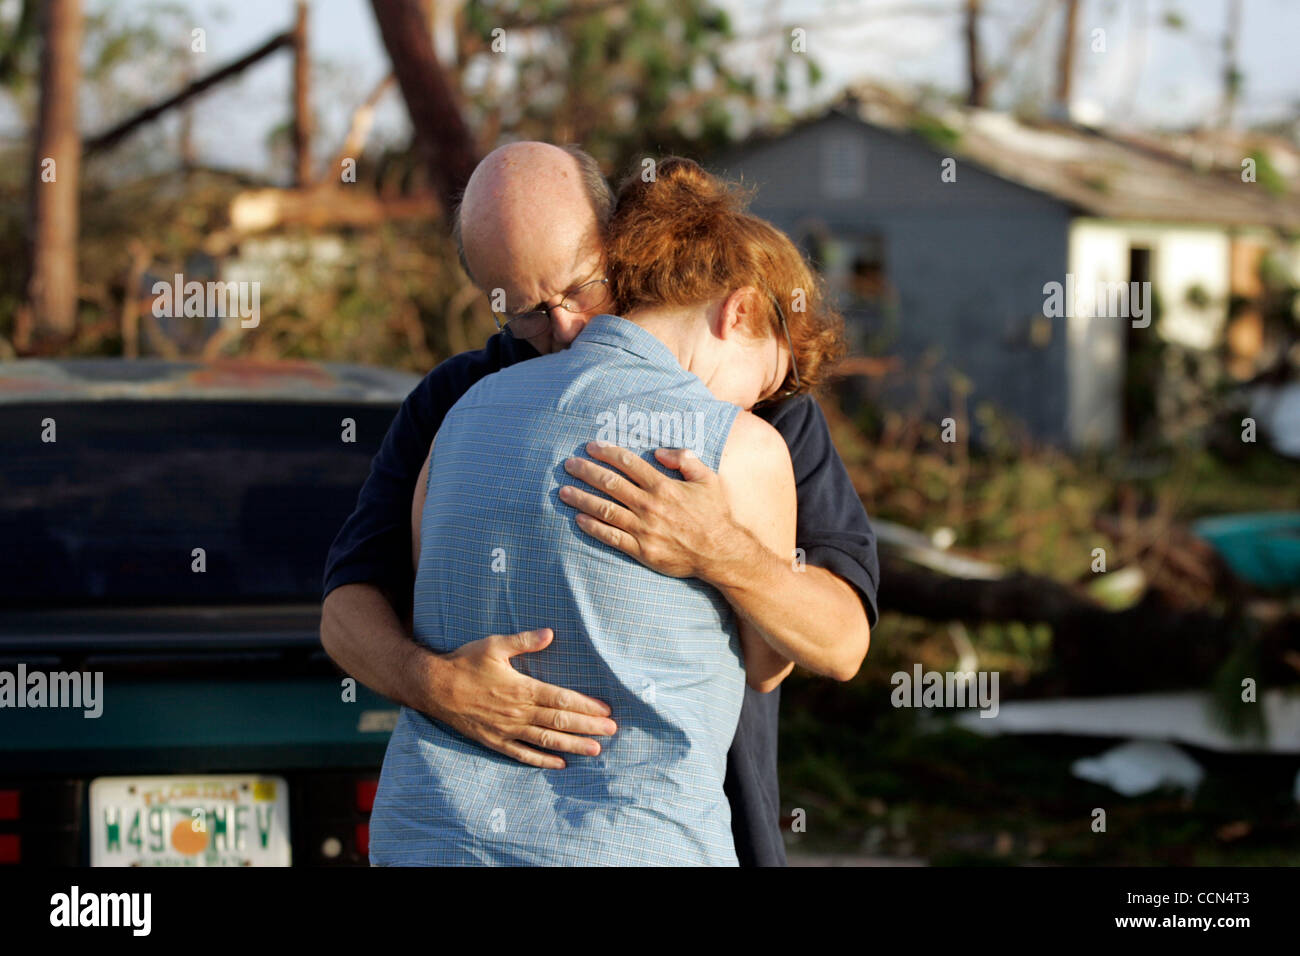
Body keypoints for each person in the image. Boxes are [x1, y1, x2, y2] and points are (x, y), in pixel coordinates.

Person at [321, 142, 879, 866]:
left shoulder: (761, 405)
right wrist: (437, 684)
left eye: (581, 286)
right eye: (526, 312)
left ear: (617, 236)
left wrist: (720, 550)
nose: (565, 329)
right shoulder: (455, 400)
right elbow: (346, 608)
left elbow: (834, 638)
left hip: (705, 820)